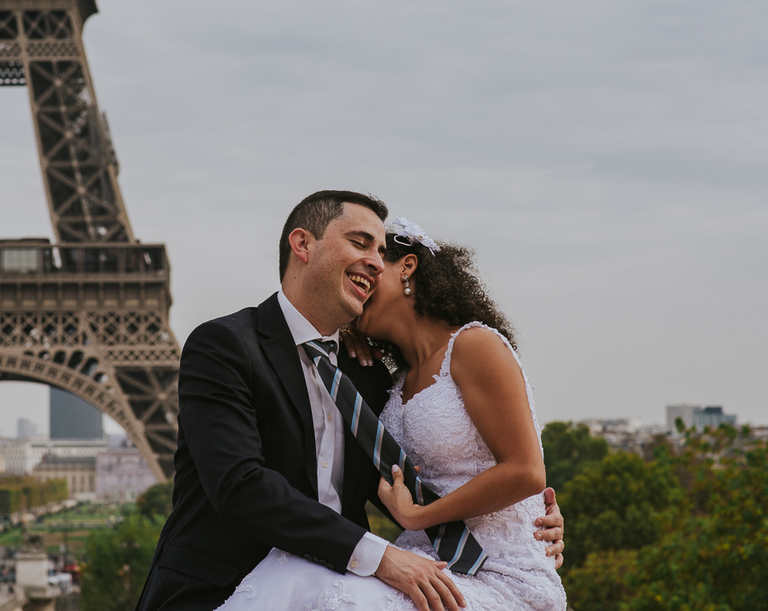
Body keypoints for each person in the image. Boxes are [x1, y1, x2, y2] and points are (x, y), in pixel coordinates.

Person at [135, 191, 564, 611]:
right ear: (302, 244)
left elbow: (417, 482)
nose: (374, 261)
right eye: (360, 243)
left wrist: (522, 521)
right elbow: (239, 484)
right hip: (228, 585)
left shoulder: (369, 376)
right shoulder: (226, 345)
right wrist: (380, 556)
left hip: (349, 583)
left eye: (381, 251)